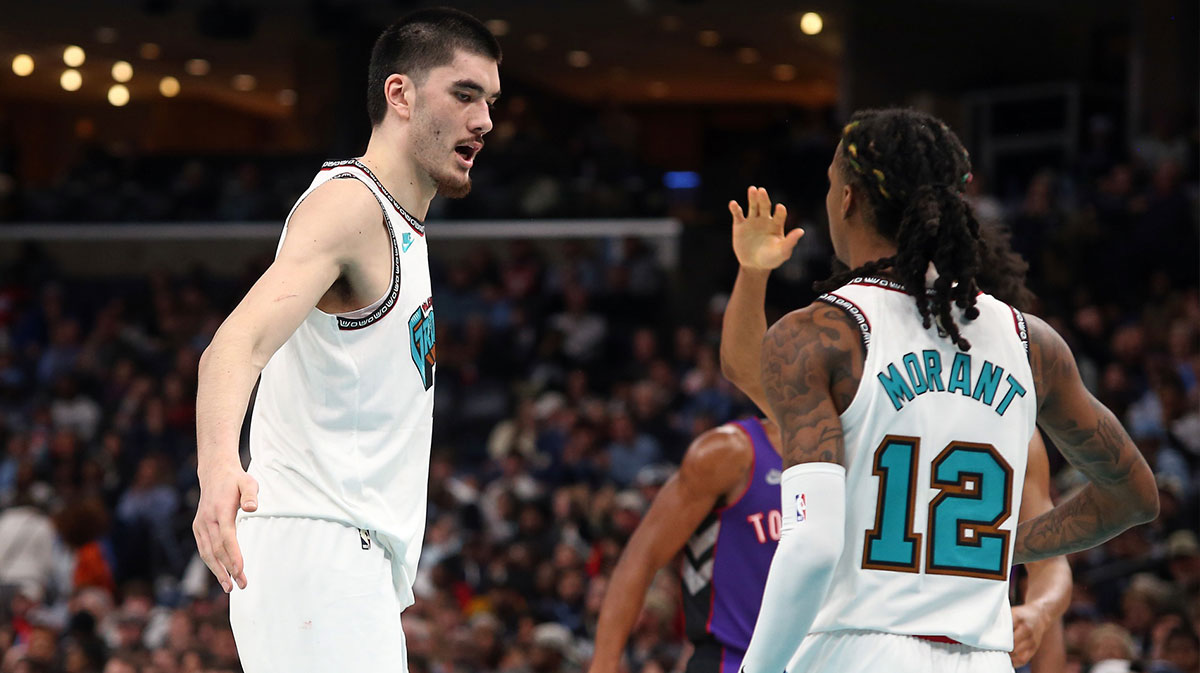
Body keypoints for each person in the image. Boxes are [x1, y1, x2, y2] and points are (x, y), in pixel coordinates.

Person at [736, 108, 1158, 673]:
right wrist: (1000, 542)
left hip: (857, 649)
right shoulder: (1032, 343)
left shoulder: (820, 334)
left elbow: (811, 546)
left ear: (847, 199)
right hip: (983, 658)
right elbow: (1133, 496)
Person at [192, 8, 500, 672]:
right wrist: (218, 466)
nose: (484, 121)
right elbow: (234, 346)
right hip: (314, 544)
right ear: (401, 94)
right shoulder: (350, 207)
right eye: (465, 93)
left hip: (343, 560)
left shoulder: (401, 225)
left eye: (490, 101)